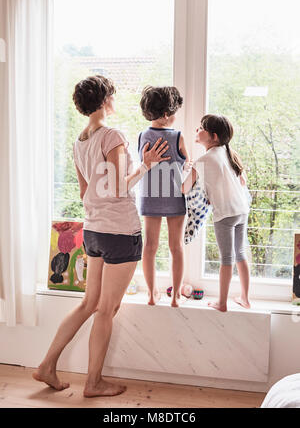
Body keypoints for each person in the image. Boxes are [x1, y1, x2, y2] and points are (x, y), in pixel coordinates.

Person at [33, 75, 170, 397]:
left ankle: (46, 366)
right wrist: (146, 165)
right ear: (105, 100)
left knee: (89, 304)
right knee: (106, 310)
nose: (115, 99)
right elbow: (120, 186)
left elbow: (85, 192)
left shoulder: (80, 141)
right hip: (120, 231)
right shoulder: (112, 136)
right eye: (113, 95)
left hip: (93, 230)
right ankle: (93, 383)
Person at [181, 114, 251, 312]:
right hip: (241, 210)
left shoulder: (203, 160)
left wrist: (188, 168)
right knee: (240, 254)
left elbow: (184, 189)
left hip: (225, 214)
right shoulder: (229, 153)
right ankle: (245, 298)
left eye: (201, 127)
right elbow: (242, 182)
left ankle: (222, 303)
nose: (197, 130)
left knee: (226, 259)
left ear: (214, 136)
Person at [138, 86, 191, 307]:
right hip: (173, 196)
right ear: (167, 115)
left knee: (149, 246)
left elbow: (143, 163)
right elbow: (187, 164)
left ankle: (151, 294)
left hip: (150, 196)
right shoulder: (178, 136)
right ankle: (176, 296)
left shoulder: (142, 135)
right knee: (176, 246)